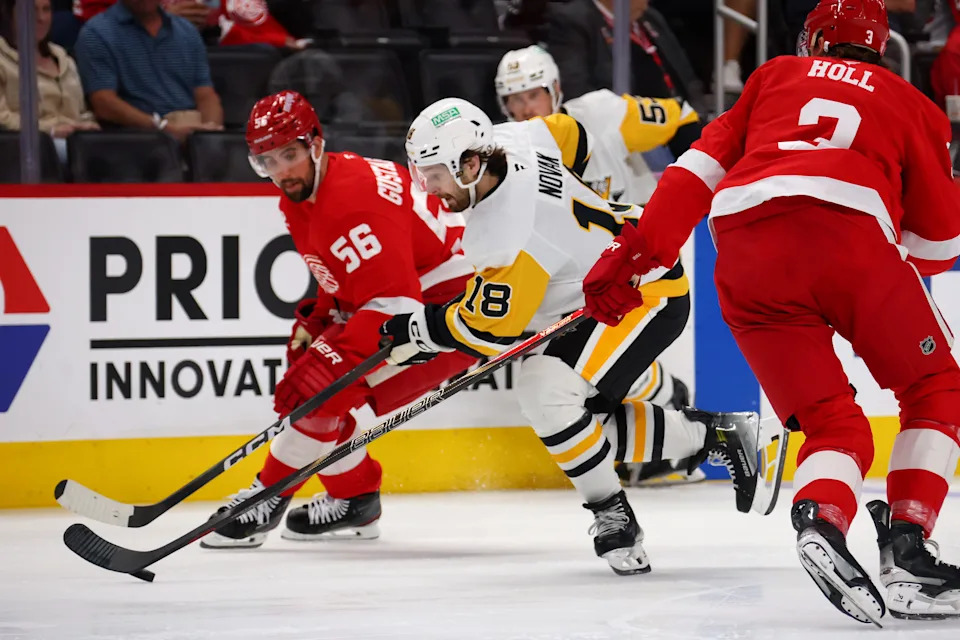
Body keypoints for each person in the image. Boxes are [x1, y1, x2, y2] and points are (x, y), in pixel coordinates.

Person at [581, 0, 960, 623]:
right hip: (852, 238)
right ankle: (909, 551)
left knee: (833, 423)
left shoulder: (772, 75)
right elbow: (941, 246)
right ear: (881, 47)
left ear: (814, 40)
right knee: (935, 384)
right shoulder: (912, 103)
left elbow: (691, 175)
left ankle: (822, 516)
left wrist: (635, 253)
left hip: (745, 250)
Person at [379, 97, 788, 575]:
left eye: (434, 174)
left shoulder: (503, 232)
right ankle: (719, 436)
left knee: (544, 392)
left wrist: (421, 330)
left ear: (470, 163)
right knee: (573, 418)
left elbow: (489, 333)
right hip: (614, 278)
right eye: (420, 174)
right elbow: (573, 136)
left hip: (642, 292)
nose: (428, 188)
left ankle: (619, 506)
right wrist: (578, 222)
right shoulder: (518, 137)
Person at [201, 90, 477, 548]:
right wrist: (323, 315)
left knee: (324, 392)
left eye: (289, 154)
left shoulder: (353, 201)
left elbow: (397, 306)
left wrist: (334, 355)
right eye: (267, 161)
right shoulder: (305, 193)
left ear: (314, 144)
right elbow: (349, 271)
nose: (281, 171)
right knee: (320, 387)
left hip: (452, 311)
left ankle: (266, 498)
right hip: (414, 296)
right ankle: (356, 500)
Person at [495, 44, 703, 486]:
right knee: (582, 375)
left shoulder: (603, 114)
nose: (523, 109)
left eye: (531, 95)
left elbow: (681, 115)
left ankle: (673, 407)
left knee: (592, 370)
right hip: (572, 275)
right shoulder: (508, 153)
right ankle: (670, 409)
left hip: (632, 266)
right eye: (512, 101)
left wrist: (697, 192)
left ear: (555, 89)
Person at [74, 0, 223, 142]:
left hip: (193, 132)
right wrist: (162, 127)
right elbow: (104, 103)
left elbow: (205, 94)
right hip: (139, 140)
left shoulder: (186, 30)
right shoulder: (97, 33)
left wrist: (210, 132)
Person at [546, 0, 706, 116]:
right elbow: (576, 92)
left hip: (680, 119)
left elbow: (687, 76)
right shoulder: (575, 21)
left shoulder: (650, 17)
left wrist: (697, 113)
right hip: (630, 131)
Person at [0, 0, 99, 141]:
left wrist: (89, 126)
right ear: (9, 14)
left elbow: (82, 112)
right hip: (27, 148)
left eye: (46, 10)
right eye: (32, 11)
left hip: (77, 146)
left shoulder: (64, 58)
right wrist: (50, 129)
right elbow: (2, 118)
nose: (41, 18)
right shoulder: (2, 58)